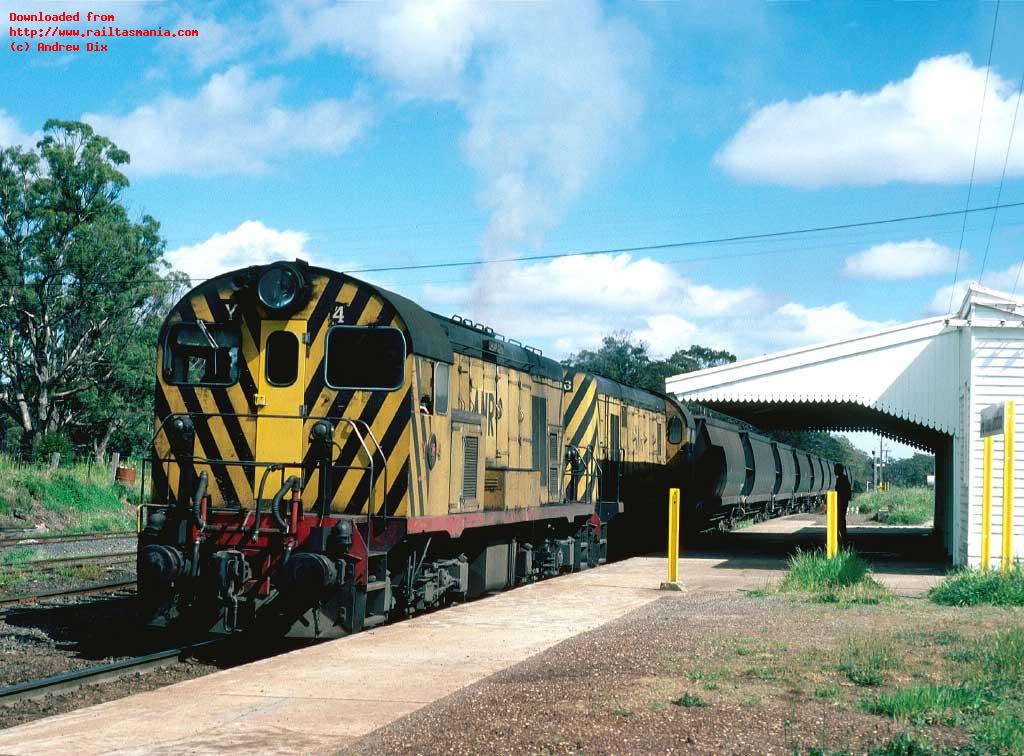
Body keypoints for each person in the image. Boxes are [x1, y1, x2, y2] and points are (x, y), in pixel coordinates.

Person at [834, 462, 852, 547]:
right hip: (843, 503)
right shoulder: (844, 478)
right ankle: (842, 539)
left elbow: (842, 492)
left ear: (839, 470)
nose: (834, 470)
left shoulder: (842, 479)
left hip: (841, 503)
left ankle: (843, 539)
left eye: (836, 469)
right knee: (841, 520)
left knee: (840, 520)